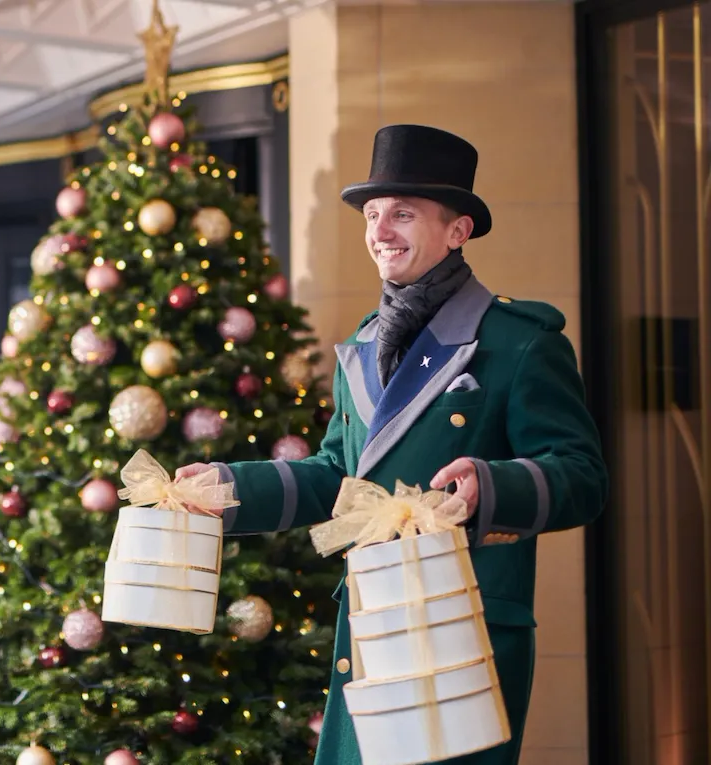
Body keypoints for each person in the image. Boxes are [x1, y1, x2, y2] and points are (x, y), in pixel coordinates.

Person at [176, 125, 608, 764]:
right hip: (374, 627)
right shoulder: (366, 342)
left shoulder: (521, 340)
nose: (380, 231)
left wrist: (492, 486)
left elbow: (583, 477)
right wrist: (228, 488)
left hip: (461, 633)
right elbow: (335, 477)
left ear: (457, 230)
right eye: (373, 215)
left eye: (402, 214)